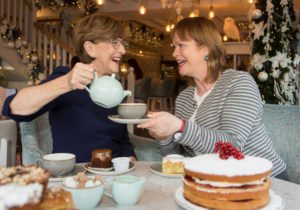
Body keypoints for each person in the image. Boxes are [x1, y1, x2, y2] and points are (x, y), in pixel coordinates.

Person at [138, 17, 287, 179]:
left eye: (181, 45)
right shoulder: (184, 98)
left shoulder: (238, 82)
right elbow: (180, 157)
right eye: (174, 46)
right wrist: (165, 136)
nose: (174, 53)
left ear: (206, 49)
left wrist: (180, 126)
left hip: (263, 179)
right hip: (216, 181)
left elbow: (232, 145)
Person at [2, 14, 136, 162]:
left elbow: (123, 140)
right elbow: (13, 108)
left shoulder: (113, 89)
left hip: (114, 175)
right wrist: (66, 83)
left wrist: (130, 162)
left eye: (123, 43)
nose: (123, 50)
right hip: (75, 178)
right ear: (90, 49)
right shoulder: (65, 77)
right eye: (115, 42)